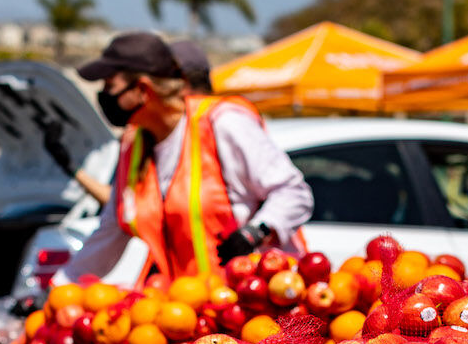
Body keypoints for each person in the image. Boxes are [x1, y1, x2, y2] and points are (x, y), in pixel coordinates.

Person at [52, 31, 311, 285]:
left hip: (257, 303)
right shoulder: (135, 146)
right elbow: (110, 232)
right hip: (192, 311)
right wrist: (58, 287)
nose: (103, 96)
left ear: (143, 88)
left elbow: (294, 193)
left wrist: (256, 231)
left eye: (110, 86)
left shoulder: (221, 123)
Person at [43, 39, 216, 207]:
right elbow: (122, 208)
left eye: (110, 85)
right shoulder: (140, 142)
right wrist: (71, 167)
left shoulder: (220, 126)